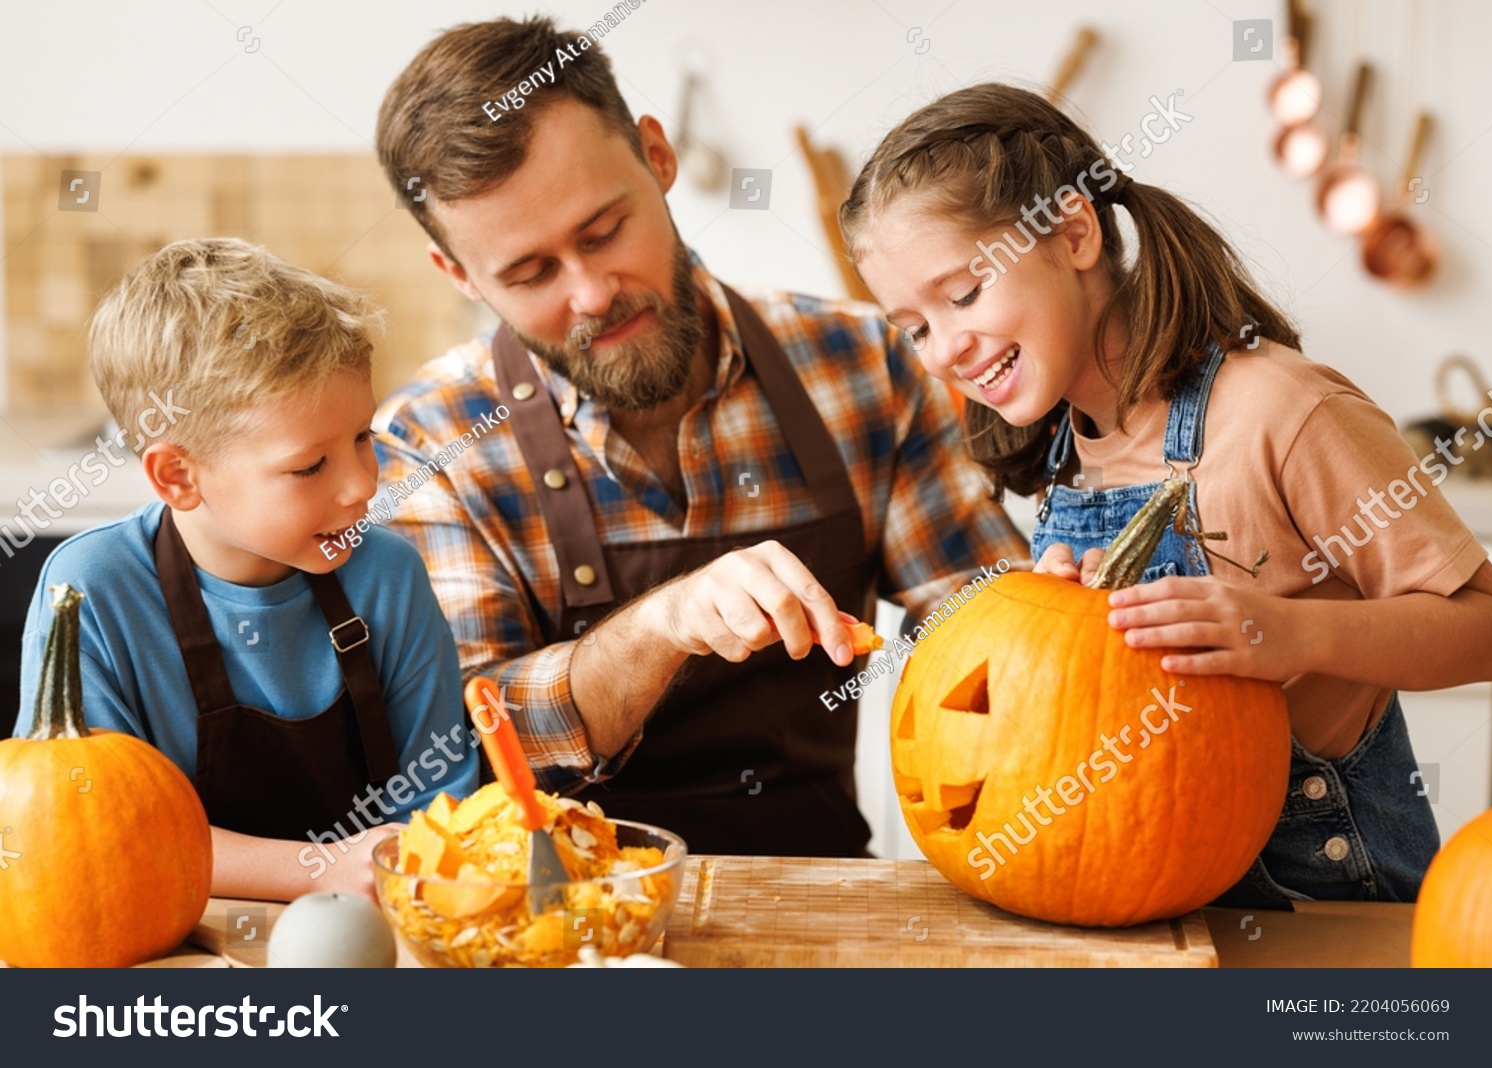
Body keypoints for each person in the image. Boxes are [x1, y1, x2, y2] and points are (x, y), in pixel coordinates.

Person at [371, 17, 1026, 856]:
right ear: (459, 274)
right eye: (530, 274)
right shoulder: (433, 443)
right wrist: (660, 627)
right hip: (565, 930)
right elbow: (468, 747)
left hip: (818, 903)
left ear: (657, 155)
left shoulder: (865, 367)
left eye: (605, 231)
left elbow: (989, 634)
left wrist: (1052, 610)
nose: (592, 294)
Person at [841, 83, 1492, 905]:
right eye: (915, 328)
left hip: (1325, 913)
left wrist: (1293, 632)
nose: (945, 349)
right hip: (1155, 904)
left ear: (1075, 233)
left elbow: (1486, 625)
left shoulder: (1280, 411)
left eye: (965, 294)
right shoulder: (1062, 444)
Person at [15, 238, 478, 902]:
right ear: (178, 475)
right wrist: (318, 870)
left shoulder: (388, 577)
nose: (360, 486)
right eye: (309, 466)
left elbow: (441, 798)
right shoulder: (91, 592)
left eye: (362, 438)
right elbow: (96, 836)